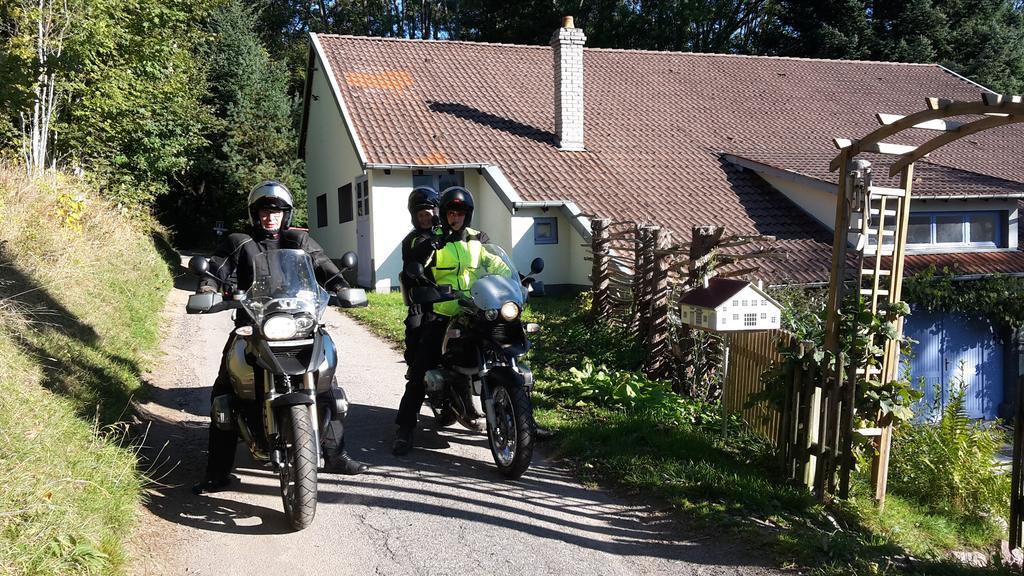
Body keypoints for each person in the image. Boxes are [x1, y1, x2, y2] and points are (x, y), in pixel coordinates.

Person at [192, 180, 368, 495]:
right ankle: (217, 472)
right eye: (264, 211)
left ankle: (336, 453)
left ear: (286, 214)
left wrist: (342, 287)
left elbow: (325, 267)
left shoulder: (298, 240)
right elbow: (215, 271)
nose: (270, 217)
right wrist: (208, 290)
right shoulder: (240, 241)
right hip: (255, 324)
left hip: (299, 322)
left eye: (276, 211)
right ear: (254, 213)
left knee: (328, 383)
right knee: (225, 390)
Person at [393, 186, 510, 456]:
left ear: (467, 215)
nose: (454, 217)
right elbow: (415, 264)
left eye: (460, 213)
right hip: (443, 312)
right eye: (450, 213)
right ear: (443, 215)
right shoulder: (432, 240)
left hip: (476, 308)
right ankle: (404, 428)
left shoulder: (476, 239)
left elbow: (497, 264)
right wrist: (426, 252)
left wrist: (516, 281)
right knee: (421, 369)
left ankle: (525, 419)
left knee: (506, 355)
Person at [399, 186, 442, 371]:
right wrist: (413, 298)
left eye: (428, 214)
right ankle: (415, 370)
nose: (425, 219)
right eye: (421, 215)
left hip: (453, 294)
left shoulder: (447, 233)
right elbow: (409, 267)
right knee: (415, 327)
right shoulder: (411, 240)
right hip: (425, 295)